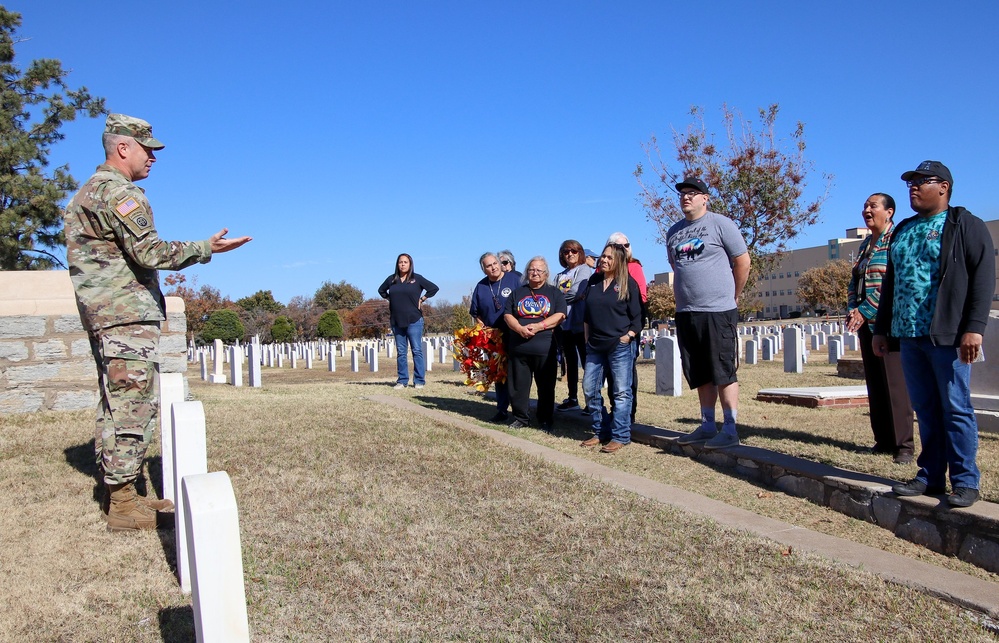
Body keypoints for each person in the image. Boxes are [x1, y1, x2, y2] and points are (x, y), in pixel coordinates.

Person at [64, 113, 251, 531]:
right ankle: (124, 507)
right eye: (149, 149)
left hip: (109, 315)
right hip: (123, 317)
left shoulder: (90, 192)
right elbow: (150, 253)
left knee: (116, 403)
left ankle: (124, 494)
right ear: (123, 147)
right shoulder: (118, 193)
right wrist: (207, 248)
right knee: (132, 404)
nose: (153, 157)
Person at [873, 161, 994, 508]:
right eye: (910, 182)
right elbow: (891, 284)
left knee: (955, 407)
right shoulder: (905, 229)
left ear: (943, 187)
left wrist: (974, 328)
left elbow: (983, 279)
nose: (912, 187)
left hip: (948, 335)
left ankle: (965, 481)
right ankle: (930, 476)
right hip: (909, 335)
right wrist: (882, 329)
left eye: (921, 181)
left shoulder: (964, 225)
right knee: (925, 408)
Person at [668, 177, 750, 450]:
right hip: (687, 312)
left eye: (692, 193)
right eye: (682, 194)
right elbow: (677, 267)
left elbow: (742, 261)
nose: (686, 198)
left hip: (718, 310)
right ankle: (706, 425)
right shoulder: (674, 232)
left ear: (705, 198)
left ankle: (729, 427)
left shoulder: (720, 224)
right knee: (700, 371)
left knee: (722, 370)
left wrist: (733, 295)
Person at [846, 193, 914, 464]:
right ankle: (883, 440)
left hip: (888, 322)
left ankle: (903, 446)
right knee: (875, 383)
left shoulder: (896, 240)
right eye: (865, 205)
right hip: (866, 324)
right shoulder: (865, 244)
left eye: (873, 206)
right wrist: (853, 307)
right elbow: (856, 280)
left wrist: (864, 311)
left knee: (895, 384)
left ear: (889, 212)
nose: (866, 210)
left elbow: (890, 283)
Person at [580, 243, 642, 453]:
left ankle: (620, 436)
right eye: (603, 257)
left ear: (619, 261)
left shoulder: (628, 283)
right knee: (589, 389)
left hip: (619, 346)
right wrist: (587, 338)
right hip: (595, 346)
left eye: (609, 258)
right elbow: (587, 315)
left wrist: (628, 336)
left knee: (621, 392)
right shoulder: (594, 281)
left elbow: (637, 317)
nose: (603, 260)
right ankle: (601, 430)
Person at [502, 257, 566, 431]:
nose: (535, 272)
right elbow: (508, 315)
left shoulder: (555, 293)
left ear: (546, 274)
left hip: (545, 349)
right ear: (526, 272)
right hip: (519, 347)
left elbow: (560, 315)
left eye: (539, 270)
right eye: (531, 269)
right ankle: (521, 418)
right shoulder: (517, 293)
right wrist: (519, 328)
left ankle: (545, 418)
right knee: (518, 386)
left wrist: (538, 326)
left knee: (546, 386)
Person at [469, 252, 521, 422]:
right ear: (483, 270)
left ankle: (520, 411)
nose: (493, 267)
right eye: (488, 266)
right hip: (494, 337)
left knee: (517, 373)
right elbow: (476, 313)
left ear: (500, 263)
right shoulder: (481, 286)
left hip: (516, 333)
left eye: (495, 263)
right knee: (499, 374)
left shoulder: (515, 279)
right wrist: (484, 328)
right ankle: (502, 410)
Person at [378, 254, 439, 389]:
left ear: (410, 264)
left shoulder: (417, 279)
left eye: (405, 262)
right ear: (397, 264)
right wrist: (390, 298)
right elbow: (381, 290)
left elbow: (434, 288)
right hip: (396, 320)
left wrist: (422, 299)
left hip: (414, 320)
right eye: (400, 262)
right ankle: (402, 380)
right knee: (401, 351)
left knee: (416, 350)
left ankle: (419, 381)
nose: (403, 264)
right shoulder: (392, 279)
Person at [606, 232, 648, 425]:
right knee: (610, 374)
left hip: (626, 330)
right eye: (618, 246)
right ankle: (615, 411)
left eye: (626, 245)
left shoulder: (634, 267)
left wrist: (630, 332)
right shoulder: (602, 271)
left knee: (626, 374)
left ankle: (627, 415)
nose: (623, 249)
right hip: (605, 331)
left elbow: (641, 299)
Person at [553, 239, 594, 413]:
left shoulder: (584, 269)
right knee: (569, 362)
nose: (570, 254)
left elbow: (577, 291)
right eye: (566, 252)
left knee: (587, 363)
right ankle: (572, 398)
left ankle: (591, 401)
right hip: (564, 325)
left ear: (580, 253)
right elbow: (554, 294)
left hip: (580, 323)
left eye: (574, 251)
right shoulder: (559, 275)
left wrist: (558, 300)